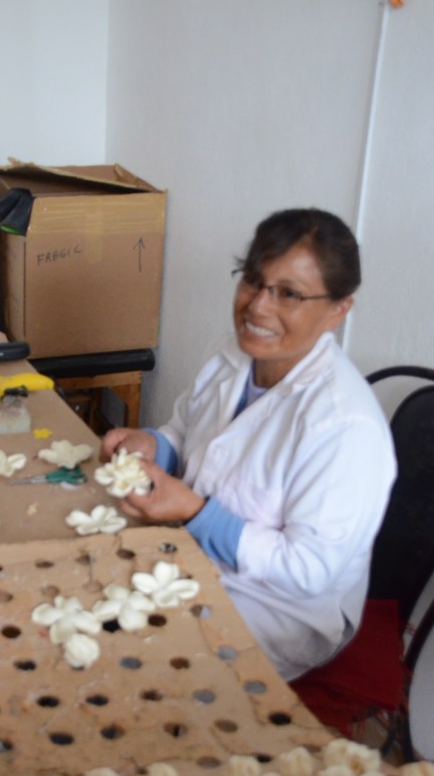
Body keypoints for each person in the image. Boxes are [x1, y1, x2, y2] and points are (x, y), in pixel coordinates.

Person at [100, 207, 397, 682]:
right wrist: (152, 445)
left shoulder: (344, 426)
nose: (258, 307)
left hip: (275, 608)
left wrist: (196, 513)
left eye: (289, 294)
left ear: (339, 309)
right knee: (84, 584)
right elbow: (187, 432)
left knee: (131, 662)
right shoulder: (234, 353)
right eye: (253, 281)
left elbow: (308, 569)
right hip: (192, 556)